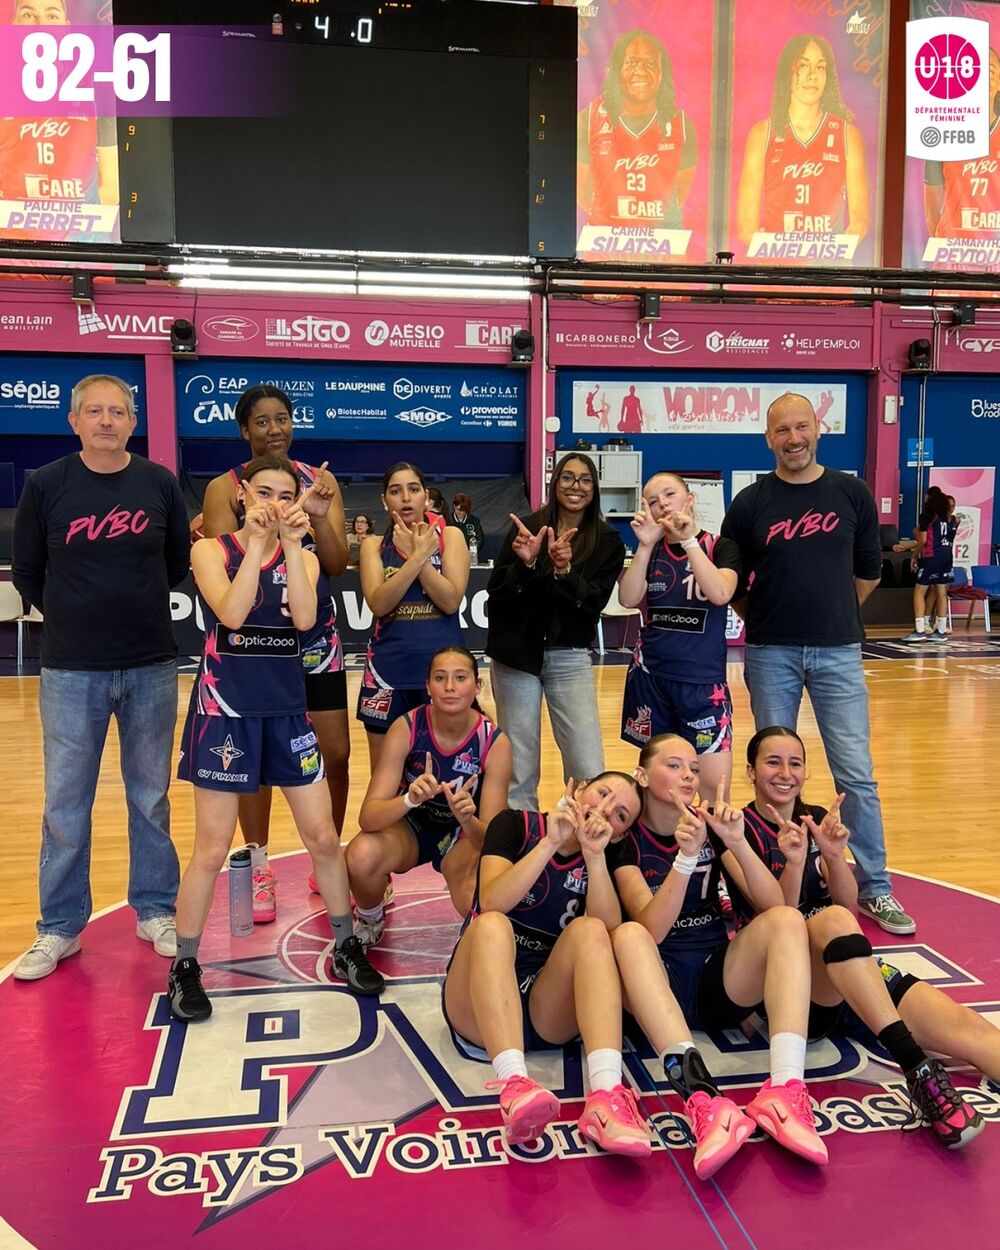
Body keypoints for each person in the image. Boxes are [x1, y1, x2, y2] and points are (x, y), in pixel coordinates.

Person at [169, 454, 382, 1020]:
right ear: (242, 494)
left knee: (323, 838)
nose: (274, 504)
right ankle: (185, 965)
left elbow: (306, 621)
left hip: (287, 712)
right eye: (263, 492)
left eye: (285, 496)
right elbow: (234, 614)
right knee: (212, 847)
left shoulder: (304, 557)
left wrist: (289, 544)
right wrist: (259, 546)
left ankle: (346, 944)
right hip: (225, 713)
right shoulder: (210, 551)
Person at [11, 374, 187, 980]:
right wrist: (71, 614)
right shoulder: (45, 484)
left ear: (133, 422)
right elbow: (27, 571)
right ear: (75, 420)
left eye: (118, 411)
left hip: (150, 663)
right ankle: (60, 927)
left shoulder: (158, 483)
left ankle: (156, 910)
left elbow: (176, 564)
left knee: (150, 797)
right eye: (95, 411)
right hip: (70, 669)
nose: (107, 421)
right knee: (65, 804)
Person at [739, 726, 991, 1147]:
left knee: (976, 1035)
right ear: (750, 771)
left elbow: (848, 903)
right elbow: (778, 914)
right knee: (831, 921)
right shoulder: (738, 829)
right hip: (796, 983)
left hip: (850, 964)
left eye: (795, 763)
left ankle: (917, 1065)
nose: (785, 773)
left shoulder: (816, 817)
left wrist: (834, 857)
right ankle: (917, 1069)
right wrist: (796, 862)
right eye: (772, 762)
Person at [721, 392, 915, 936]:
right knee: (773, 773)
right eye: (782, 430)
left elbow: (869, 573)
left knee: (855, 772)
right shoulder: (750, 502)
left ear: (818, 429)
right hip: (770, 652)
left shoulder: (852, 493)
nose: (793, 438)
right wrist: (766, 616)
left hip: (838, 652)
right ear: (768, 438)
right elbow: (732, 582)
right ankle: (776, 881)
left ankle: (875, 888)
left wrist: (833, 614)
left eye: (801, 427)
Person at [609, 733, 829, 1166]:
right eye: (674, 766)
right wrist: (685, 858)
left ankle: (785, 1090)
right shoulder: (625, 839)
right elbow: (652, 929)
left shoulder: (710, 825)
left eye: (694, 768)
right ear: (642, 775)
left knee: (787, 921)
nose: (688, 776)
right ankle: (704, 1100)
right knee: (629, 936)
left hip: (715, 977)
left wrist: (737, 840)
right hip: (655, 983)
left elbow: (775, 906)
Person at [442, 773, 656, 1157]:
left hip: (547, 1005)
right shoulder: (515, 825)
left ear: (621, 835)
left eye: (620, 815)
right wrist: (550, 843)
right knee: (493, 925)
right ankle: (514, 1085)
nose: (605, 809)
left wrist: (593, 857)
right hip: (476, 1002)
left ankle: (606, 1094)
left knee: (592, 930)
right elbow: (492, 901)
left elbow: (608, 934)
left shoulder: (607, 853)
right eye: (602, 793)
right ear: (579, 788)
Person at [200, 385, 350, 923]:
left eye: (281, 419)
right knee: (255, 761)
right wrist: (277, 530)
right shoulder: (224, 487)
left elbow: (336, 563)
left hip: (315, 636)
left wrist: (319, 517)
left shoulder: (319, 479)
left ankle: (327, 857)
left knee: (335, 753)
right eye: (261, 421)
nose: (273, 429)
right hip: (256, 645)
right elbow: (233, 565)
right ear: (244, 430)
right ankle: (259, 864)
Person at [487, 453, 625, 810]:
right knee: (518, 766)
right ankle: (522, 833)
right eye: (568, 477)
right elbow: (497, 592)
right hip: (516, 655)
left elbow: (592, 604)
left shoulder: (608, 541)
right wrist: (528, 563)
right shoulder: (527, 528)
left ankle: (586, 834)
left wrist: (565, 572)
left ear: (595, 488)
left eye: (585, 479)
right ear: (555, 482)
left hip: (570, 655)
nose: (576, 486)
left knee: (587, 766)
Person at [346, 646, 512, 941]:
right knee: (361, 855)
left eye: (460, 677)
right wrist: (409, 799)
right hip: (412, 827)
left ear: (477, 685)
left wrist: (467, 819)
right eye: (440, 678)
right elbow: (368, 818)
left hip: (461, 835)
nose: (449, 687)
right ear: (428, 686)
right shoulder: (406, 727)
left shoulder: (494, 742)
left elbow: (491, 839)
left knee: (479, 905)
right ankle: (370, 919)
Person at [619, 471, 740, 800]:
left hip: (703, 686)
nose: (662, 504)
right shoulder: (652, 551)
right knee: (659, 791)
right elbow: (628, 599)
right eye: (653, 501)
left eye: (669, 495)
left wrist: (688, 541)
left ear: (690, 498)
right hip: (652, 680)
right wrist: (644, 546)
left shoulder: (721, 547)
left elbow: (720, 593)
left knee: (715, 794)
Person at [358, 462, 469, 769]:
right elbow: (379, 603)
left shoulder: (451, 536)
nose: (405, 498)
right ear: (384, 500)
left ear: (426, 497)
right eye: (395, 491)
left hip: (443, 674)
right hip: (386, 673)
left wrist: (418, 556)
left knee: (445, 772)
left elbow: (450, 601)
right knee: (385, 777)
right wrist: (417, 556)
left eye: (413, 489)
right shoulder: (373, 545)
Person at [0, 0, 119, 241]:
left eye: (51, 16)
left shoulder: (97, 91)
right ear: (14, 24)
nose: (40, 25)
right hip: (12, 251)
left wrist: (68, 224)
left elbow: (111, 189)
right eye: (28, 15)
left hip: (80, 249)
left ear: (66, 27)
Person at [736, 33, 868, 247]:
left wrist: (823, 254)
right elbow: (746, 229)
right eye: (804, 66)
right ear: (788, 72)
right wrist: (785, 252)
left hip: (827, 264)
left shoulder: (848, 136)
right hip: (777, 263)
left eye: (820, 67)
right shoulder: (762, 135)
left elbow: (859, 225)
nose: (812, 76)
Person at [577, 28, 696, 235]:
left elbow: (681, 193)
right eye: (631, 62)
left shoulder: (682, 125)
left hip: (663, 243)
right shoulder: (588, 120)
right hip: (604, 242)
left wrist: (647, 227)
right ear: (617, 69)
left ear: (662, 73)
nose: (641, 71)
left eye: (650, 64)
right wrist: (613, 221)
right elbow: (578, 188)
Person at [924, 48, 1000, 242]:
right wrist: (944, 244)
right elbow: (932, 209)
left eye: (990, 71)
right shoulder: (942, 133)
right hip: (953, 250)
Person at [903, 489, 956, 643]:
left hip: (932, 556)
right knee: (942, 592)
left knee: (919, 591)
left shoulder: (927, 517)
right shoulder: (953, 519)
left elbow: (924, 540)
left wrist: (914, 555)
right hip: (947, 557)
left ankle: (920, 629)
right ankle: (940, 631)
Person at [450, 494, 485, 559]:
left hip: (470, 557)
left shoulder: (475, 521)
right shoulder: (447, 520)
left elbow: (480, 539)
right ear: (454, 506)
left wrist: (471, 552)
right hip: (451, 556)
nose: (461, 513)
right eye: (459, 509)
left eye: (464, 510)